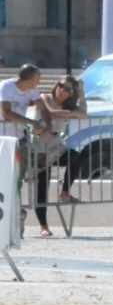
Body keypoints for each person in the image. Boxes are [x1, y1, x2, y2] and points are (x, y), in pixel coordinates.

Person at [1, 65, 52, 235]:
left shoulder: (32, 91)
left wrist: (45, 125)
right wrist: (32, 123)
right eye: (37, 78)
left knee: (16, 179)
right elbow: (7, 113)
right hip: (2, 140)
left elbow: (44, 109)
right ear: (28, 78)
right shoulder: (6, 87)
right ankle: (12, 215)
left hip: (19, 141)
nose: (39, 81)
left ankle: (15, 217)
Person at [39, 76, 88, 209]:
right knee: (42, 189)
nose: (61, 90)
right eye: (60, 85)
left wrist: (82, 94)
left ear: (71, 93)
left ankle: (65, 193)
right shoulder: (46, 97)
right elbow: (52, 113)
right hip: (40, 148)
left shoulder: (68, 106)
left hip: (55, 147)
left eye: (66, 89)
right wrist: (70, 113)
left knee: (76, 157)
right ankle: (44, 226)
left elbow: (84, 115)